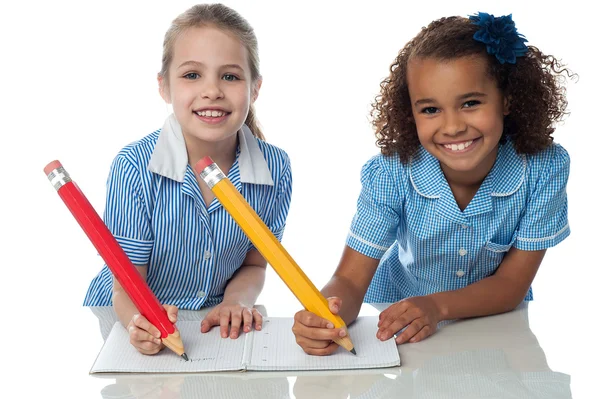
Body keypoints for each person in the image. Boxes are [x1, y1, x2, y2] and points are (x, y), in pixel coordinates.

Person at [292, 12, 573, 355]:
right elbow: (349, 280)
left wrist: (436, 307)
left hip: (497, 326)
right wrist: (324, 314)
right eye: (430, 110)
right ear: (409, 113)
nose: (452, 127)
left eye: (470, 103)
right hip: (403, 328)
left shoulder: (543, 168)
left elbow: (511, 284)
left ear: (507, 99)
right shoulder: (391, 174)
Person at [83, 3, 293, 356]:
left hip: (209, 325)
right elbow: (125, 282)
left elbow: (255, 264)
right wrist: (140, 322)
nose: (212, 91)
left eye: (230, 76)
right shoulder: (134, 166)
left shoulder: (276, 168)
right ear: (164, 87)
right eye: (192, 75)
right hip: (125, 318)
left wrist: (236, 302)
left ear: (255, 88)